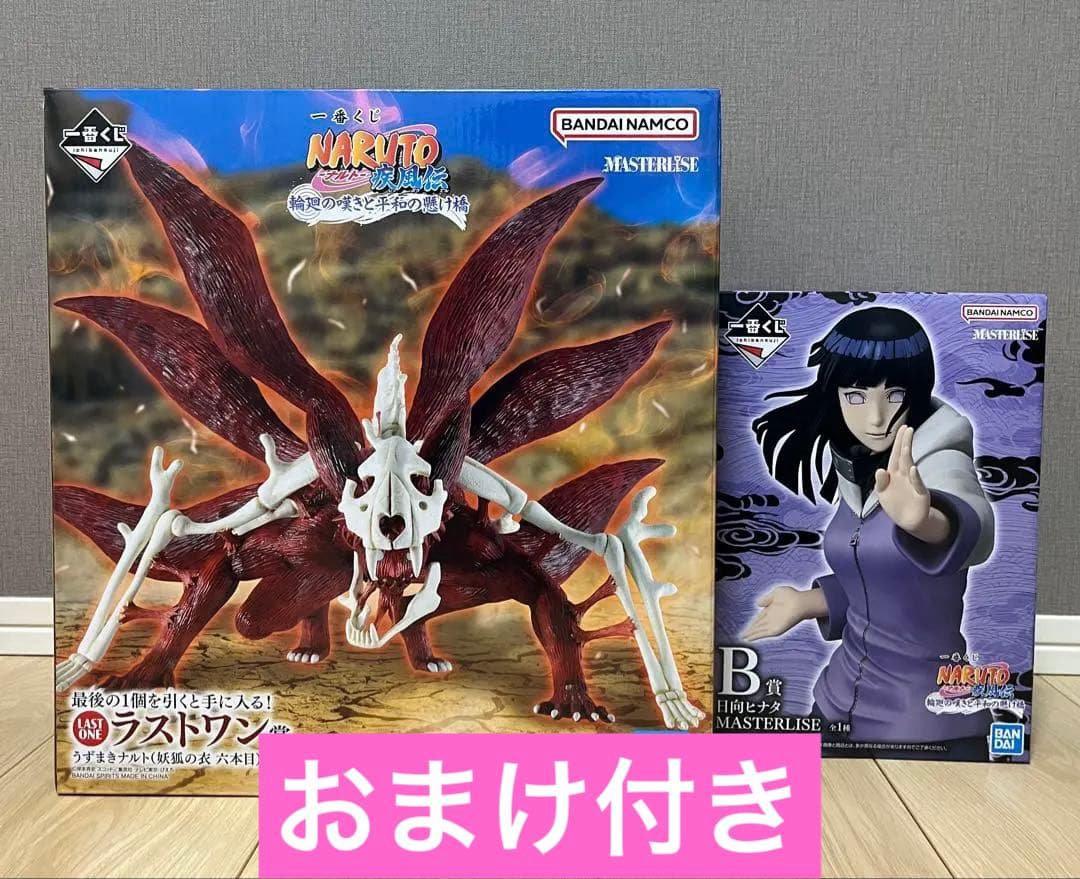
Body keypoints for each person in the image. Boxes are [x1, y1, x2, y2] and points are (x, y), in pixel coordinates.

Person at [744, 306, 995, 746]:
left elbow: (973, 527)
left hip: (923, 715)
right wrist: (808, 602)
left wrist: (928, 521)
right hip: (836, 698)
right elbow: (877, 583)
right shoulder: (860, 473)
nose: (876, 417)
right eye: (856, 395)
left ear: (917, 392)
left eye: (895, 394)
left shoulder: (937, 461)